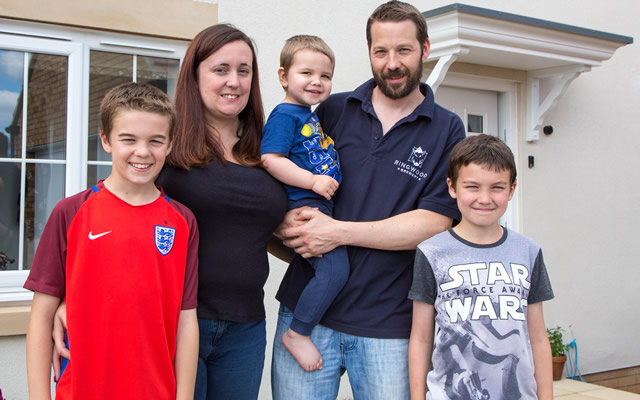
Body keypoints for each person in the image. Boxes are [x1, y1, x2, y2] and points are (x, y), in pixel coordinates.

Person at [272, 2, 466, 399]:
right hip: (307, 314)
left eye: (404, 51)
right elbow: (280, 175)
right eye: (381, 51)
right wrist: (281, 223)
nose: (392, 63)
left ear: (425, 49)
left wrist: (337, 233)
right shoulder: (332, 109)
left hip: (389, 324)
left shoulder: (447, 128)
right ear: (370, 53)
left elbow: (434, 222)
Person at [24, 82, 199, 400]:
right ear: (105, 140)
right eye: (128, 139)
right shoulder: (71, 212)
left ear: (170, 143)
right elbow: (41, 316)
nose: (143, 152)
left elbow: (186, 321)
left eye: (156, 141)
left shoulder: (182, 221)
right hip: (81, 391)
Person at [155, 24, 287, 400]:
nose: (234, 81)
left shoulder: (269, 149)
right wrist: (67, 296)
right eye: (220, 69)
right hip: (179, 320)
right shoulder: (167, 143)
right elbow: (112, 211)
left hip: (246, 326)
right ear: (194, 76)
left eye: (243, 71)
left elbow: (262, 230)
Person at [408, 134, 554, 399]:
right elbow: (420, 337)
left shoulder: (528, 251)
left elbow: (538, 338)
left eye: (497, 187)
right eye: (472, 187)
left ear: (512, 189)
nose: (484, 198)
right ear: (452, 188)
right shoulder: (431, 252)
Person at [261, 35, 348, 372]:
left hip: (319, 207)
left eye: (325, 76)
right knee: (335, 270)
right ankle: (298, 332)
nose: (316, 81)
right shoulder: (285, 115)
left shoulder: (306, 114)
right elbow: (271, 158)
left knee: (331, 270)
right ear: (284, 76)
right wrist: (312, 181)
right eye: (306, 73)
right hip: (306, 209)